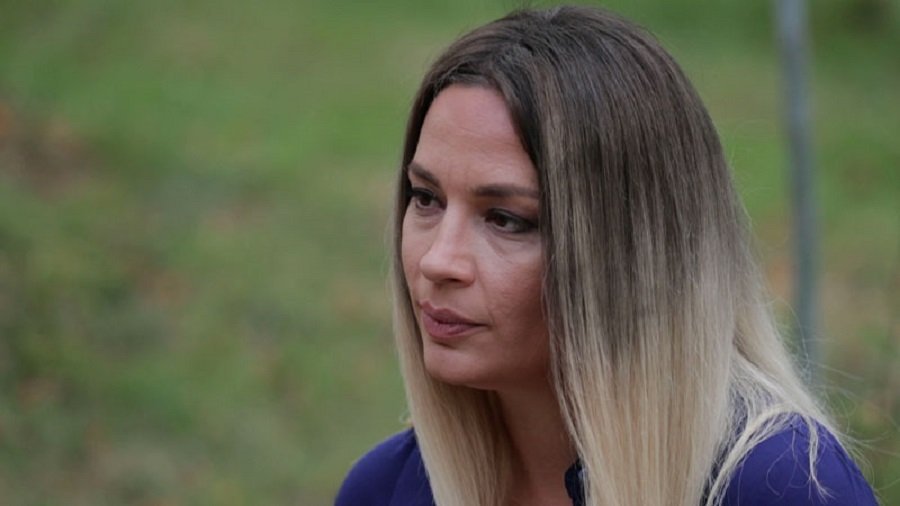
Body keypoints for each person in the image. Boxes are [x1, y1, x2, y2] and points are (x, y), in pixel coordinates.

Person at [335, 6, 878, 506]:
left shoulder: (782, 486)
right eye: (425, 198)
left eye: (506, 219)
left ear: (635, 258)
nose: (437, 261)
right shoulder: (387, 489)